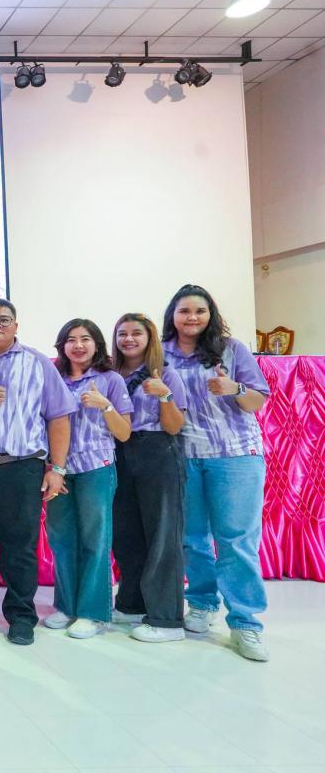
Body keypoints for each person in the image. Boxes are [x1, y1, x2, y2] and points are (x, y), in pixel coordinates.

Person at [0, 298, 77, 646]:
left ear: (16, 326)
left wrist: (57, 468)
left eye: (4, 320)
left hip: (20, 467)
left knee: (19, 546)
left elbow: (59, 417)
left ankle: (21, 614)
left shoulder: (38, 364)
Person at [162, 284, 271, 662]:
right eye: (184, 311)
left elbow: (256, 400)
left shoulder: (231, 349)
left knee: (236, 540)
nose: (192, 317)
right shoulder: (161, 354)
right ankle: (202, 603)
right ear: (172, 316)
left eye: (200, 311)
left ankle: (245, 622)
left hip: (235, 455)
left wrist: (234, 387)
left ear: (211, 315)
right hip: (184, 456)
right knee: (192, 538)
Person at [42, 319, 133, 639]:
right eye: (71, 339)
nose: (78, 345)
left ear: (97, 344)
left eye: (85, 339)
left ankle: (94, 612)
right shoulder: (53, 379)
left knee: (95, 539)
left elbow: (124, 433)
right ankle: (66, 605)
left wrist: (105, 405)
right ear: (62, 346)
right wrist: (51, 466)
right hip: (60, 470)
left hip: (97, 468)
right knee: (62, 538)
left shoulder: (110, 380)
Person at [111, 313, 188, 643]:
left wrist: (164, 395)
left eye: (136, 333)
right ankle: (132, 604)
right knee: (126, 533)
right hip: (120, 452)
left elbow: (175, 426)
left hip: (157, 451)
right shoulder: (111, 374)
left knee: (162, 535)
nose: (128, 339)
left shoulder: (166, 373)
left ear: (150, 337)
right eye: (122, 333)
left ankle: (167, 619)